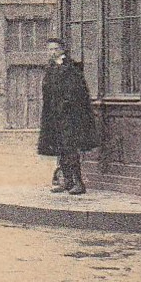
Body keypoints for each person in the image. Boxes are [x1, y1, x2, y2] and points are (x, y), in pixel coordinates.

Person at [37, 37, 99, 195]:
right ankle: (67, 181)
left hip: (71, 116)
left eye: (55, 49)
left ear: (63, 50)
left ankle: (79, 183)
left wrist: (66, 104)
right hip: (55, 115)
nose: (52, 52)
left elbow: (78, 91)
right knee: (60, 148)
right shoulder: (50, 68)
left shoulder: (71, 67)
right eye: (50, 49)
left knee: (70, 148)